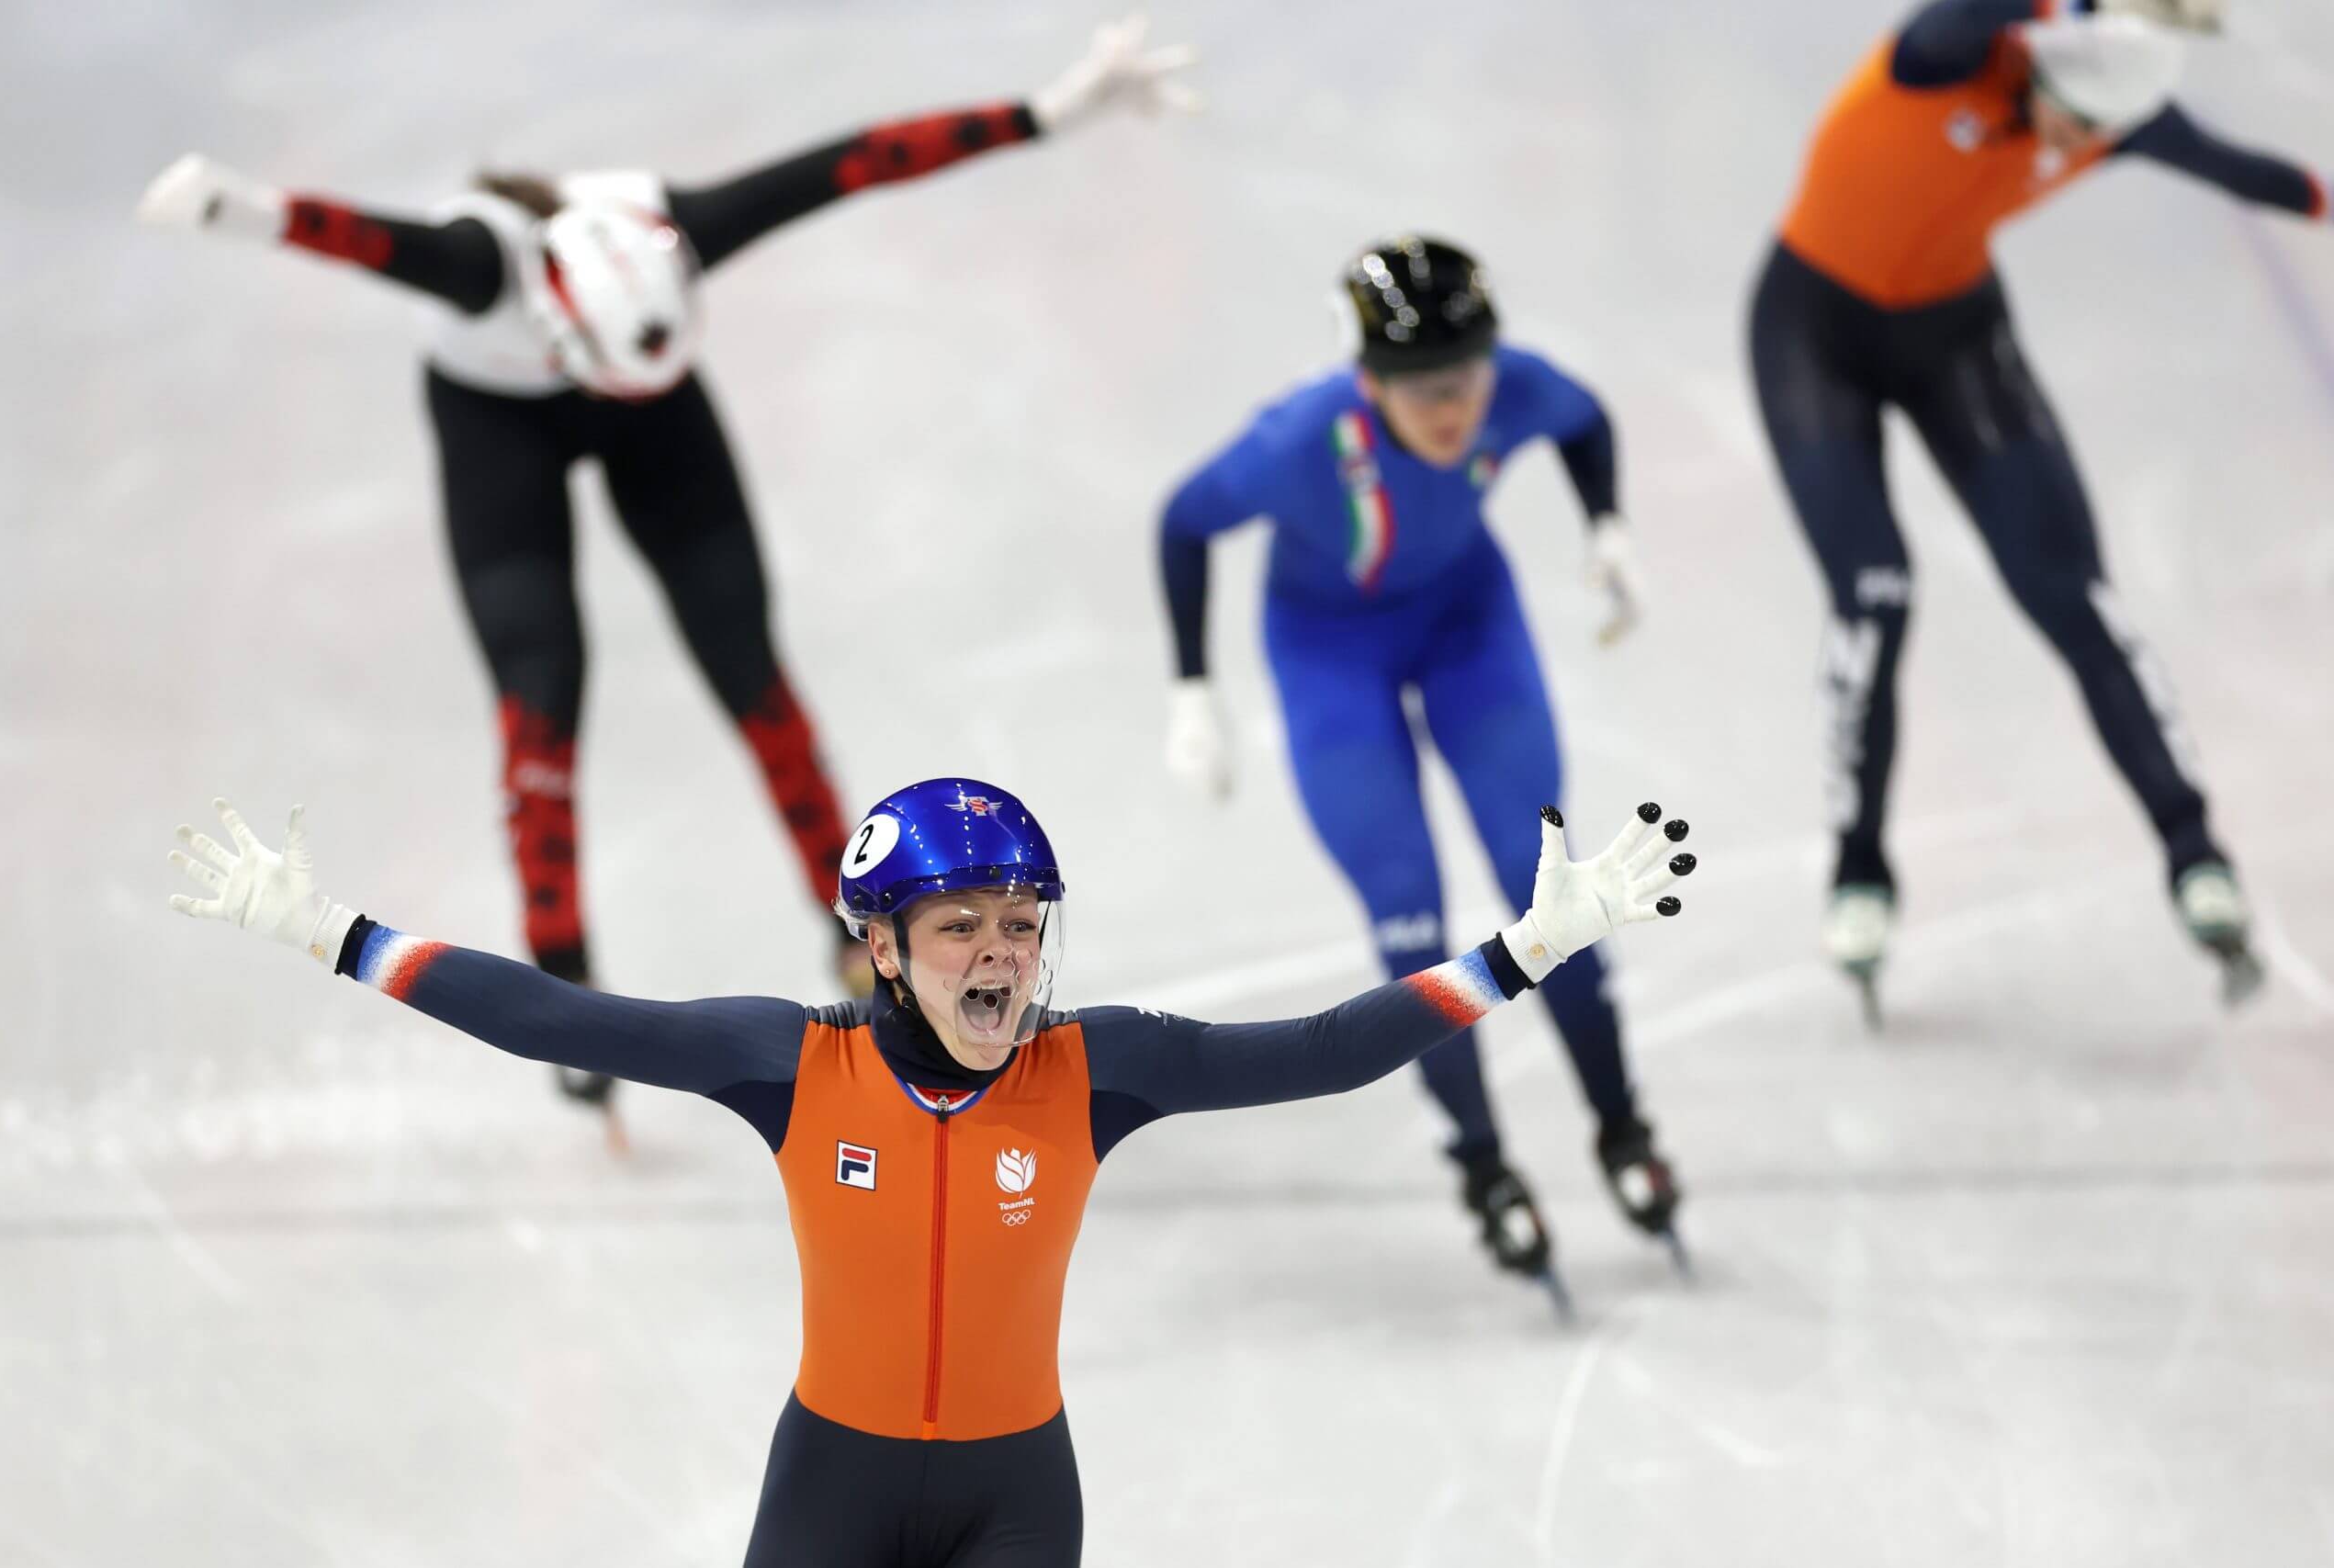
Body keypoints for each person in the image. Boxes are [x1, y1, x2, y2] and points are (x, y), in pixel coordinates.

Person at [165, 777, 1697, 1567]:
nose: (1003, 954)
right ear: (881, 948)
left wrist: (1524, 952)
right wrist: (336, 934)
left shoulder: (1100, 1071)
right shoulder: (792, 1062)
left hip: (1011, 1500)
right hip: (828, 1488)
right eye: (962, 925)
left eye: (1023, 924)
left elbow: (1322, 1049)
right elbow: (559, 1015)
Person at [134, 17, 1198, 1130]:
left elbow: (852, 166)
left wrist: (1054, 110)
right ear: (554, 318)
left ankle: (851, 934)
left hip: (659, 424)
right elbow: (348, 234)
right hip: (500, 425)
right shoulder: (476, 266)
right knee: (539, 686)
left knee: (747, 662)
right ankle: (564, 973)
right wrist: (237, 208)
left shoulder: (671, 236)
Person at [1752, 0, 2319, 1016]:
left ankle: (2195, 852)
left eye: (2095, 137)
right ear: (2034, 69)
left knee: (2074, 599)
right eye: (2064, 118)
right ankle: (1859, 866)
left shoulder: (2119, 112)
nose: (2072, 146)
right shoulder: (1940, 64)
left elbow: (2254, 174)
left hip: (1956, 337)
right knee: (1874, 601)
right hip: (1813, 334)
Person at [1155, 234, 1680, 1293]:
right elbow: (1183, 521)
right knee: (1406, 911)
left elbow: (1583, 422)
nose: (1454, 411)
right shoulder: (1296, 442)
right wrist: (1192, 687)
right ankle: (1484, 1167)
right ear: (1366, 380)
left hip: (1466, 627)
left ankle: (1621, 1128)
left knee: (1551, 892)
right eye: (1422, 389)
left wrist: (1607, 524)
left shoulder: (1514, 389)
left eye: (1469, 382)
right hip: (1329, 656)